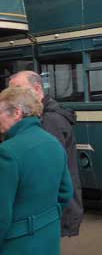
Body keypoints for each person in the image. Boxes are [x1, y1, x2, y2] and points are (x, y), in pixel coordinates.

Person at [0, 86, 73, 254]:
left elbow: (2, 214)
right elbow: (66, 193)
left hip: (16, 244)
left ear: (17, 113)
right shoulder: (52, 142)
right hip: (49, 238)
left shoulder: (7, 152)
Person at [9, 71, 83, 236]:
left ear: (37, 89)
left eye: (18, 90)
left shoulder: (49, 121)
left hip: (54, 210)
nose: (12, 97)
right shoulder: (45, 116)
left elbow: (48, 172)